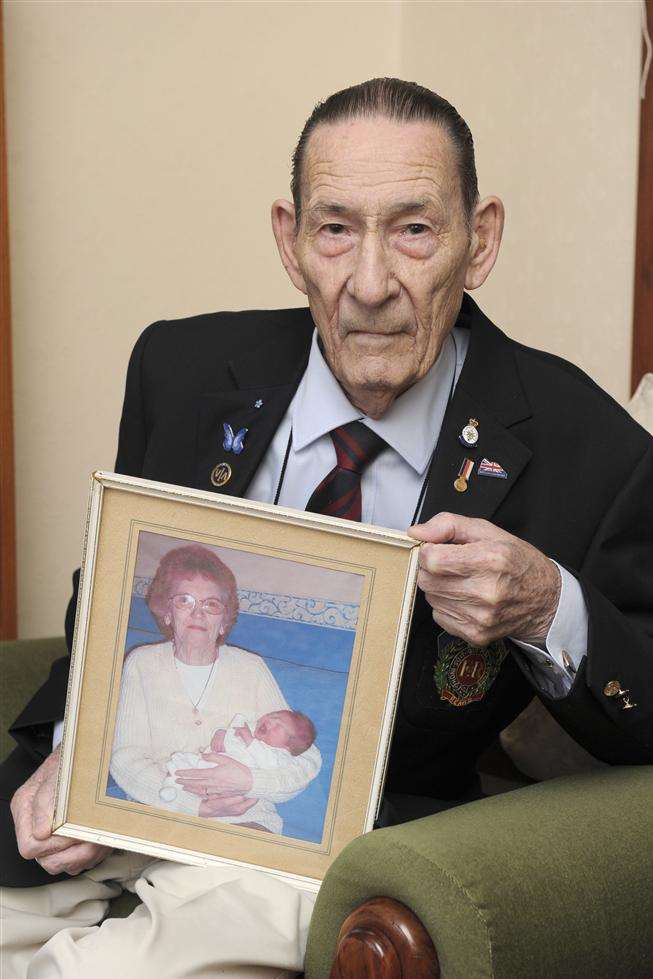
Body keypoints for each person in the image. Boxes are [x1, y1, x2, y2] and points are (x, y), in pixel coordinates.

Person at [2, 77, 652, 979]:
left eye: (415, 229)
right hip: (130, 799)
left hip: (338, 842)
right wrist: (75, 744)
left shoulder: (586, 443)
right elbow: (107, 596)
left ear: (481, 240)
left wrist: (546, 607)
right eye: (335, 228)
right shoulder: (181, 368)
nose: (371, 284)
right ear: (289, 238)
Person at [108, 543, 321, 836]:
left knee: (240, 872)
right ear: (167, 612)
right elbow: (125, 757)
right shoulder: (142, 664)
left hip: (243, 817)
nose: (198, 614)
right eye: (184, 601)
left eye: (211, 604)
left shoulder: (251, 668)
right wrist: (193, 806)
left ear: (224, 621)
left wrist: (248, 780)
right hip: (166, 811)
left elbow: (305, 759)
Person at [158, 709, 317, 836]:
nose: (268, 721)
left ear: (288, 745)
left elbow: (285, 764)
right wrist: (221, 733)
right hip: (202, 774)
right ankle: (170, 788)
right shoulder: (250, 729)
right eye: (270, 716)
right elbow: (230, 734)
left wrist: (250, 743)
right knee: (179, 761)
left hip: (241, 804)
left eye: (278, 725)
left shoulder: (279, 755)